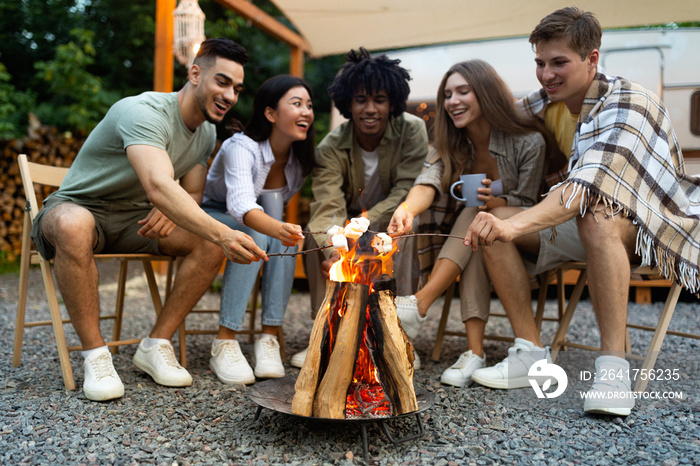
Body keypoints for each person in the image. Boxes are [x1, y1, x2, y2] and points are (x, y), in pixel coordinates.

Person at [465, 7, 700, 416]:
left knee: (596, 212)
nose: (546, 74)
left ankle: (613, 371)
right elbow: (503, 116)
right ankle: (530, 354)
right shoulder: (551, 97)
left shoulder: (629, 101)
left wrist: (518, 222)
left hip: (652, 225)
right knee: (491, 219)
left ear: (592, 59)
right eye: (540, 63)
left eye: (559, 63)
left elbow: (585, 189)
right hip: (584, 220)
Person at [29, 38, 268, 401]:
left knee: (207, 242)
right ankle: (96, 356)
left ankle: (156, 343)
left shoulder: (205, 133)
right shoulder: (144, 110)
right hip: (77, 206)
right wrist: (217, 230)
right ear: (195, 73)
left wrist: (175, 209)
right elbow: (158, 184)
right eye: (222, 82)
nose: (230, 95)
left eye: (237, 88)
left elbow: (190, 193)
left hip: (133, 222)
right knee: (73, 224)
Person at [388, 60, 548, 388]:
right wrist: (406, 208)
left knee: (479, 216)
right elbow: (427, 181)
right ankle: (473, 352)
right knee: (478, 226)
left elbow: (530, 206)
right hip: (481, 238)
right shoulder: (451, 142)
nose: (452, 101)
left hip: (526, 237)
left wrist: (498, 204)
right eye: (447, 94)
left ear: (486, 93)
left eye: (463, 91)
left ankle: (421, 303)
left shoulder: (529, 141)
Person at [291, 47, 429, 369]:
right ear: (347, 104)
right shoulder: (330, 147)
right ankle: (327, 331)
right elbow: (326, 205)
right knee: (315, 235)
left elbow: (405, 190)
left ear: (392, 102)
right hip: (347, 224)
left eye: (379, 100)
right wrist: (335, 250)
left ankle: (399, 335)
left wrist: (364, 230)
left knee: (409, 224)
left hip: (390, 219)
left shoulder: (412, 131)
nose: (370, 109)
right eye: (360, 100)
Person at [202, 75, 314, 385]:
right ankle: (225, 340)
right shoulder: (242, 146)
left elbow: (272, 210)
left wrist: (285, 232)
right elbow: (240, 205)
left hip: (253, 219)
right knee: (257, 234)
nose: (306, 111)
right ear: (270, 113)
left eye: (309, 105)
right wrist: (279, 228)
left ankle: (268, 337)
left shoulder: (297, 161)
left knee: (291, 238)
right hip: (212, 214)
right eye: (296, 104)